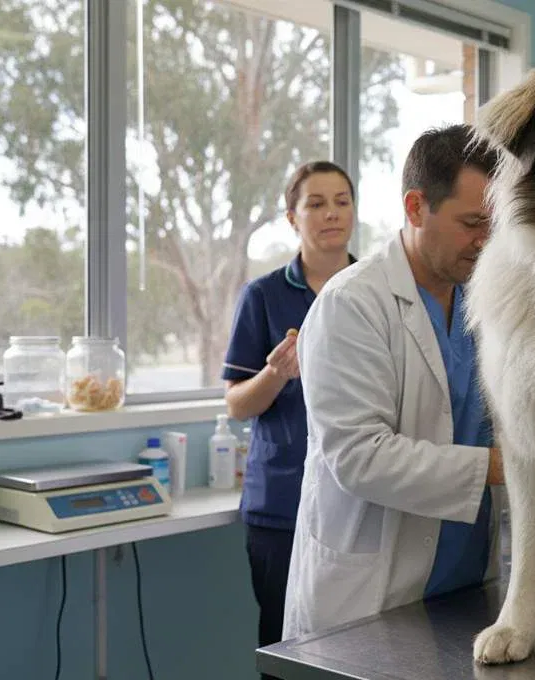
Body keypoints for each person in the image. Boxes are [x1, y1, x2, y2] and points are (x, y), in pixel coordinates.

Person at [281, 124, 504, 640]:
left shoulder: (484, 302)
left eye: (498, 225)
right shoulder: (352, 304)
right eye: (472, 223)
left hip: (465, 590)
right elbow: (360, 455)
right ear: (414, 207)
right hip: (367, 601)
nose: (486, 241)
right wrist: (499, 467)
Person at [221, 160, 358, 674]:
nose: (331, 214)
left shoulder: (372, 291)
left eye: (342, 201)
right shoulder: (263, 296)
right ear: (291, 218)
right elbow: (237, 404)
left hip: (358, 498)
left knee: (356, 648)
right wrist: (277, 373)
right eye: (316, 203)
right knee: (285, 651)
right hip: (281, 508)